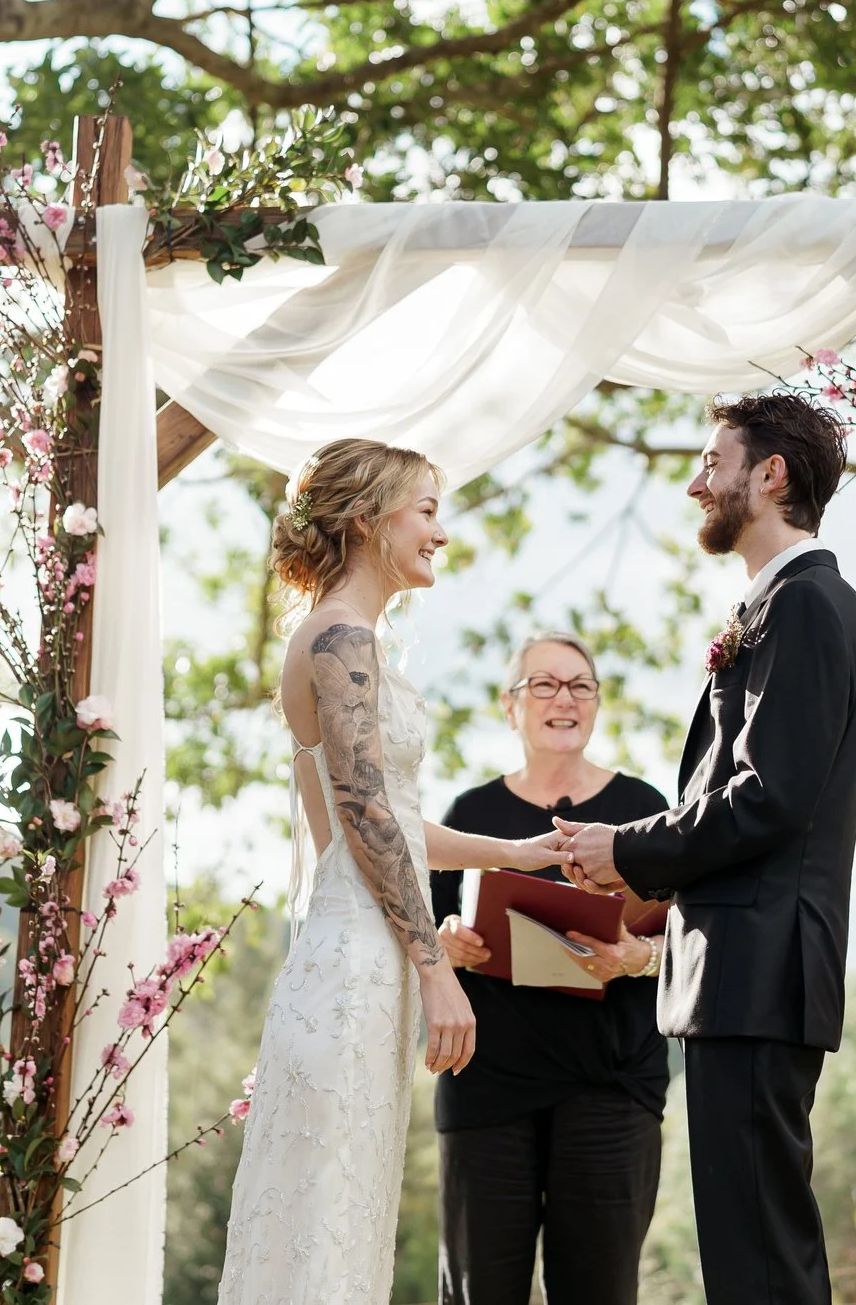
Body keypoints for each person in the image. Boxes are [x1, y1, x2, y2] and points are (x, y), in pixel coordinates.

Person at [217, 439, 564, 1305]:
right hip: (359, 966)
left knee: (345, 1213)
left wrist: (514, 854)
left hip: (359, 954)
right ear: (368, 521)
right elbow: (367, 816)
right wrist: (435, 966)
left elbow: (377, 823)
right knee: (325, 1220)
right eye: (427, 510)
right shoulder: (340, 638)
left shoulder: (345, 636)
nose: (440, 532)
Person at [550, 393, 856, 1305]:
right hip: (739, 974)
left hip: (758, 971)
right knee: (750, 1252)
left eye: (713, 461)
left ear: (769, 475)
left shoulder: (809, 607)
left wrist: (631, 846)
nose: (697, 482)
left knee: (762, 1257)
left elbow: (769, 798)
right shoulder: (786, 604)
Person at [429, 632, 672, 1305]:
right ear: (511, 708)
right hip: (485, 1091)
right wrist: (446, 941)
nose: (563, 697)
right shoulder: (468, 816)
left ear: (596, 706)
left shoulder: (647, 810)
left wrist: (638, 956)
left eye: (580, 685)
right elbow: (420, 933)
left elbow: (698, 934)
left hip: (612, 1091)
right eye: (543, 683)